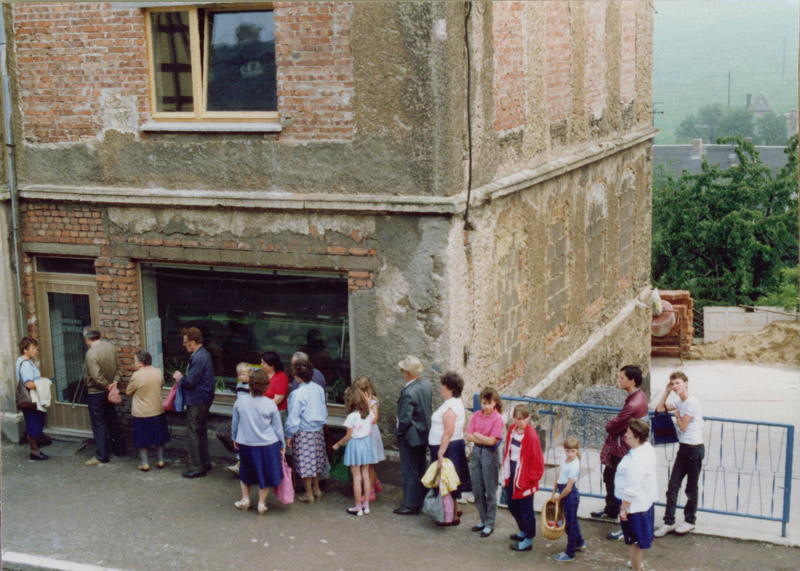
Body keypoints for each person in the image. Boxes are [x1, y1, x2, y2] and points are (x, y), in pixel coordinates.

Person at [593, 364, 649, 542]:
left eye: (622, 378)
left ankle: (623, 523)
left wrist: (611, 423)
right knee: (609, 477)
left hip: (622, 449)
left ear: (632, 381)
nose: (619, 381)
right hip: (625, 447)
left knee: (617, 482)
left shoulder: (632, 404)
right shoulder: (639, 397)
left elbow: (613, 425)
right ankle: (610, 510)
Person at [654, 371, 705, 537]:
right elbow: (659, 409)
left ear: (686, 383)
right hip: (684, 449)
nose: (676, 386)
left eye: (678, 383)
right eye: (673, 384)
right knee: (673, 486)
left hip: (695, 449)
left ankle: (690, 521)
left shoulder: (691, 402)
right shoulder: (679, 402)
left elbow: (683, 426)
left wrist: (676, 414)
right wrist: (666, 391)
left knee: (691, 487)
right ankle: (668, 521)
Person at [232, 369, 285, 515]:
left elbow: (235, 422)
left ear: (250, 383)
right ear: (266, 386)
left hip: (246, 442)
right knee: (265, 473)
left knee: (245, 471)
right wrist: (282, 444)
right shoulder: (270, 404)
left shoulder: (240, 401)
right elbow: (277, 427)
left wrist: (234, 437)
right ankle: (261, 503)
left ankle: (245, 499)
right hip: (268, 444)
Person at [427, 371, 471, 526]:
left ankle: (451, 517)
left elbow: (448, 432)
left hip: (447, 447)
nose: (440, 388)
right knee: (450, 479)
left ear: (450, 388)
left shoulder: (450, 407)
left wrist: (440, 452)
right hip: (453, 445)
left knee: (446, 481)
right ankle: (455, 509)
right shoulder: (455, 402)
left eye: (443, 385)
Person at [172, 327, 216, 478]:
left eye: (186, 342)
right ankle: (205, 462)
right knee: (200, 430)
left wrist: (180, 378)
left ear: (193, 342)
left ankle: (197, 467)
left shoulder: (198, 357)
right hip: (204, 398)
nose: (184, 345)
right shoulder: (204, 354)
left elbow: (190, 382)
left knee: (193, 432)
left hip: (197, 399)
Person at [615, 419, 658, 571]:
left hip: (634, 506)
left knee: (634, 541)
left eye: (628, 433)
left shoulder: (638, 459)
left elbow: (632, 487)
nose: (625, 435)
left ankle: (636, 568)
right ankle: (637, 565)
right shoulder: (646, 447)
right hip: (644, 502)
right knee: (638, 540)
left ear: (637, 437)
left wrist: (623, 508)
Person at [285, 358, 328, 504]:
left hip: (304, 431)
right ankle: (316, 489)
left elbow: (293, 417)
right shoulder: (319, 389)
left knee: (305, 464)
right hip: (318, 430)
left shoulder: (297, 394)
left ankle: (308, 493)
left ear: (297, 376)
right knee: (315, 461)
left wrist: (289, 434)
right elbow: (324, 409)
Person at [393, 355, 432, 516]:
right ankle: (423, 498)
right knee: (421, 466)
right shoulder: (426, 385)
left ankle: (411, 504)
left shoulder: (409, 392)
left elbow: (404, 419)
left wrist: (399, 434)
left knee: (409, 470)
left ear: (407, 372)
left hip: (410, 436)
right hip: (424, 433)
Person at [503, 404, 544, 552]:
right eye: (518, 419)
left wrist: (531, 479)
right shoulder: (512, 432)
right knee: (512, 504)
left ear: (528, 418)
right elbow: (508, 453)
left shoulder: (532, 436)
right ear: (514, 418)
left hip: (525, 476)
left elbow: (538, 461)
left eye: (524, 419)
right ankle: (523, 530)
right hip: (513, 472)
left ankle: (528, 539)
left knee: (526, 509)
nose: (521, 422)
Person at [465, 387, 504, 538]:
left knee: (490, 489)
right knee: (477, 488)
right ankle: (482, 518)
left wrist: (477, 435)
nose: (487, 407)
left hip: (490, 454)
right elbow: (469, 436)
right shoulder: (476, 416)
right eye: (484, 403)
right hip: (477, 452)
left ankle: (490, 523)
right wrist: (480, 437)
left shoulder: (497, 419)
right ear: (480, 403)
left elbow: (492, 441)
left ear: (494, 403)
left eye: (489, 403)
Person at [83, 328, 125, 466]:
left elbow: (96, 376)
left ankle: (101, 455)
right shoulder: (110, 347)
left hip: (96, 393)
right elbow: (119, 368)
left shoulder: (90, 354)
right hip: (110, 389)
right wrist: (114, 384)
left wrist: (107, 386)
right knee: (112, 419)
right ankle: (119, 449)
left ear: (87, 339)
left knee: (99, 423)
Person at [332, 387, 376, 516]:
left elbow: (348, 436)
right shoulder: (369, 414)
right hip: (366, 444)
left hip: (355, 446)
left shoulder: (351, 417)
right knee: (366, 475)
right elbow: (372, 421)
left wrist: (338, 444)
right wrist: (368, 404)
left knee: (356, 477)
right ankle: (366, 505)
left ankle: (358, 507)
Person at [126, 350, 170, 471]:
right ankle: (160, 460)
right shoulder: (158, 372)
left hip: (141, 412)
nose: (134, 364)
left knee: (142, 439)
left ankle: (145, 463)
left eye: (135, 361)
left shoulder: (137, 375)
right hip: (157, 409)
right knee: (159, 437)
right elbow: (161, 385)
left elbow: (129, 391)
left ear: (140, 363)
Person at [552, 437, 588, 562]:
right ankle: (580, 543)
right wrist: (553, 491)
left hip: (569, 495)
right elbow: (559, 474)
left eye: (573, 451)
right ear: (564, 450)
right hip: (562, 492)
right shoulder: (564, 458)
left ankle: (570, 552)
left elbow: (568, 488)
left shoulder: (574, 465)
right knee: (572, 522)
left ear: (577, 450)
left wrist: (559, 498)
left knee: (570, 525)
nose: (570, 454)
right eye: (567, 451)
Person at [353, 375, 385, 501]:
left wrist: (367, 405)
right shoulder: (357, 400)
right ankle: (376, 483)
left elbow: (375, 419)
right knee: (367, 462)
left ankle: (371, 490)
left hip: (370, 434)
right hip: (362, 433)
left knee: (369, 464)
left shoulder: (372, 401)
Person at [16, 337, 49, 460]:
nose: (36, 350)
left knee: (35, 422)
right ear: (25, 350)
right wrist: (45, 382)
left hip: (33, 397)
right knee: (34, 423)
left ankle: (36, 446)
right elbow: (29, 384)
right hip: (31, 398)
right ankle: (34, 451)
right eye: (33, 348)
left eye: (36, 348)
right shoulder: (25, 365)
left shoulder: (24, 361)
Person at [220, 362, 253, 475]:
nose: (241, 377)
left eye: (243, 374)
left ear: (249, 374)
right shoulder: (239, 386)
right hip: (240, 416)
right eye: (239, 374)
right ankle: (240, 464)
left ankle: (241, 465)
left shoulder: (251, 387)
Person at [262, 351, 289, 423]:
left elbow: (277, 400)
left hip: (276, 412)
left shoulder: (281, 377)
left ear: (271, 365)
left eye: (263, 363)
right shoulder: (261, 374)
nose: (261, 364)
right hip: (261, 411)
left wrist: (261, 407)